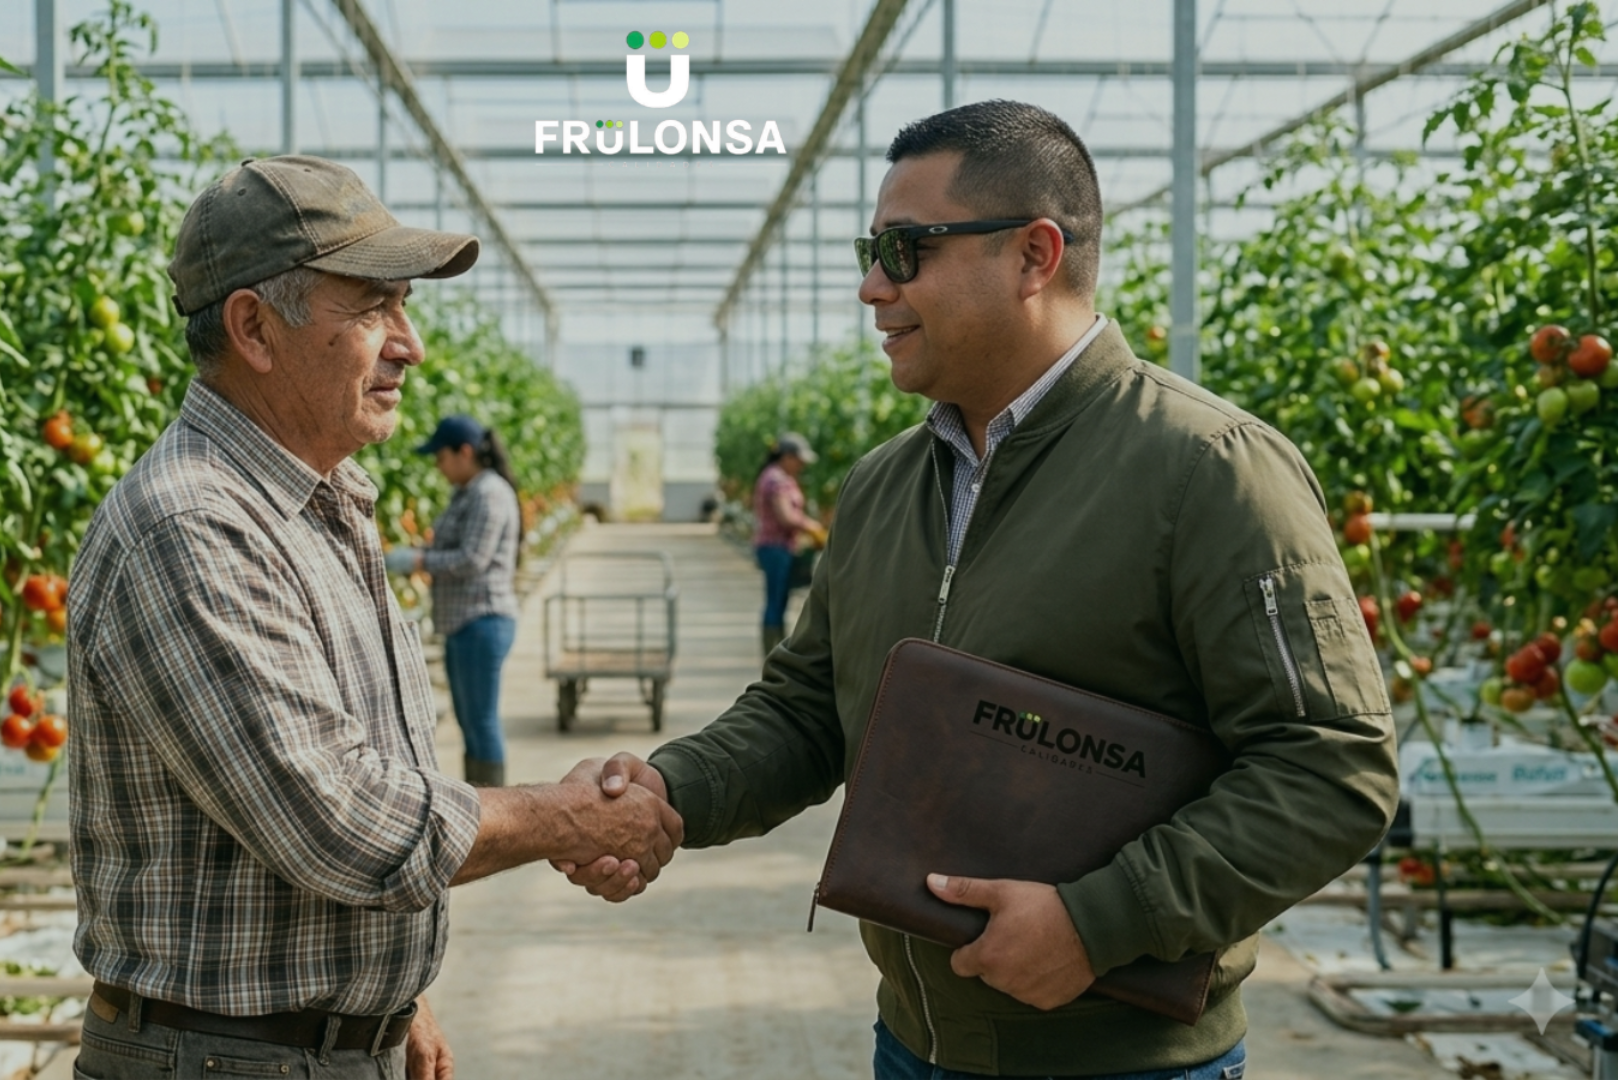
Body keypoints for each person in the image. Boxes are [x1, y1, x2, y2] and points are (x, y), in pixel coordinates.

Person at [561, 101, 1398, 1078]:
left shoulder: (1206, 471)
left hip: (1124, 1066)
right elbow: (808, 709)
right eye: (869, 252)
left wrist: (1098, 921)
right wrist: (671, 790)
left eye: (905, 250)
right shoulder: (883, 485)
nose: (873, 287)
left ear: (1034, 255)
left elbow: (1330, 766)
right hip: (912, 1045)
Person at [65, 156, 681, 1080]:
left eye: (404, 306)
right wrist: (567, 818)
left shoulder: (324, 504)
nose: (409, 344)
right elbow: (339, 820)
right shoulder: (191, 527)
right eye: (372, 308)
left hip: (299, 1047)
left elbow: (368, 763)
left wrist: (393, 1004)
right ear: (254, 328)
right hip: (227, 1059)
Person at [386, 415, 521, 788]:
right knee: (470, 721)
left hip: (482, 619)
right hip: (463, 622)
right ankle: (481, 800)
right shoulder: (467, 492)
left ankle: (495, 805)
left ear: (465, 452)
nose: (438, 466)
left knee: (481, 721)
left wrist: (419, 561)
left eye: (441, 457)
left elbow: (473, 559)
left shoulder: (488, 493)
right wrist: (421, 554)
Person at [752, 432, 826, 658]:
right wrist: (811, 527)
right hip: (775, 548)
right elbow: (786, 517)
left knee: (780, 598)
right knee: (775, 599)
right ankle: (772, 653)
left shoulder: (779, 476)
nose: (801, 465)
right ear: (786, 457)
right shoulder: (776, 479)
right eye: (799, 460)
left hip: (779, 547)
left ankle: (777, 651)